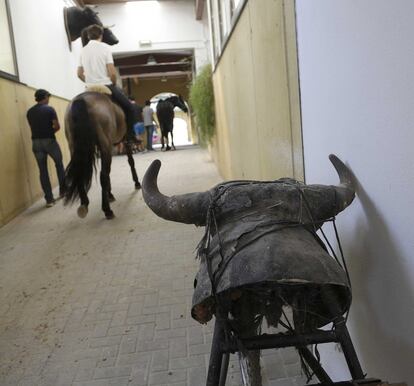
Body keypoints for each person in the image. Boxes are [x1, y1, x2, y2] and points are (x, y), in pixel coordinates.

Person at [77, 24, 135, 140]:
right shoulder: (105, 48)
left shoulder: (83, 51)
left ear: (88, 36)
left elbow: (79, 74)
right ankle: (130, 136)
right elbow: (112, 73)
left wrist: (89, 81)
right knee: (130, 107)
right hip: (105, 85)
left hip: (89, 87)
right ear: (101, 35)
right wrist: (113, 82)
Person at [26, 89, 65, 207]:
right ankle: (63, 191)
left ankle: (49, 200)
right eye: (48, 97)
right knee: (59, 164)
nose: (49, 99)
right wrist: (50, 131)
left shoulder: (29, 112)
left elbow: (32, 127)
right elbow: (57, 126)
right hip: (49, 141)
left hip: (36, 143)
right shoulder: (50, 109)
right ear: (44, 97)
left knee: (42, 171)